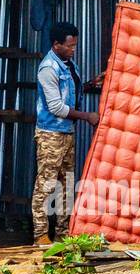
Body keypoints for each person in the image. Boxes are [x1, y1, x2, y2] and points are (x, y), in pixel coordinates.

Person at [32, 21, 100, 245]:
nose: (73, 49)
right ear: (56, 44)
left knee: (66, 184)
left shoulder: (69, 64)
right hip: (51, 134)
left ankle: (62, 233)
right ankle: (41, 234)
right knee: (46, 183)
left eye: (75, 46)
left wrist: (91, 84)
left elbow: (73, 90)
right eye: (70, 46)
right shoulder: (48, 69)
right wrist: (86, 116)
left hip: (67, 133)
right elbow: (56, 107)